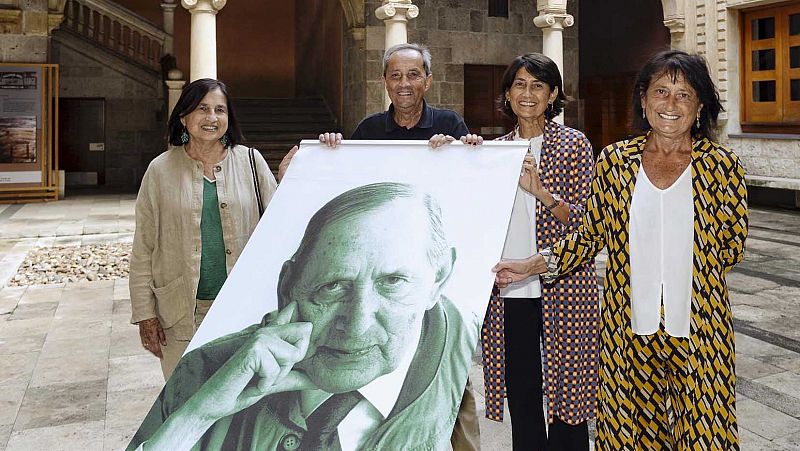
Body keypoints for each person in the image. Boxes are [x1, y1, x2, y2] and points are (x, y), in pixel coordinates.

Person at [493, 50, 748, 449]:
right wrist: (533, 265)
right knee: (632, 440)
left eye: (684, 94)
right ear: (643, 100)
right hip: (627, 335)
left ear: (700, 105)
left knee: (706, 439)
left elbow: (731, 247)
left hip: (701, 334)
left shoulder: (723, 167)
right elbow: (590, 235)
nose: (670, 104)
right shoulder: (616, 162)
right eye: (661, 91)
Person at [127, 182, 479, 451]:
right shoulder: (205, 375)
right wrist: (197, 416)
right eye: (332, 286)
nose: (357, 325)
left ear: (439, 278)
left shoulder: (455, 361)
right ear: (287, 288)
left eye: (392, 282)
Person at [279, 43, 482, 451]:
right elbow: (347, 192)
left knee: (451, 387)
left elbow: (471, 191)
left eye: (413, 75)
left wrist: (469, 150)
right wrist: (328, 154)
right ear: (384, 81)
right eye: (395, 75)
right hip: (378, 264)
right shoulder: (368, 130)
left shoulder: (450, 123)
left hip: (418, 275)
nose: (404, 84)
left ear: (427, 79)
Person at [477, 53, 599, 451]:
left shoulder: (574, 145)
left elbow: (586, 222)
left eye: (538, 86)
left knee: (569, 388)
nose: (528, 94)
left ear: (553, 95)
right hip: (511, 288)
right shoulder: (493, 151)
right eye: (520, 85)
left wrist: (541, 192)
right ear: (507, 94)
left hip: (562, 284)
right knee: (523, 388)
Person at [130, 78, 278, 380]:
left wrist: (293, 180)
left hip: (245, 310)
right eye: (202, 109)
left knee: (238, 407)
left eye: (220, 110)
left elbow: (278, 230)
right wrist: (145, 312)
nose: (212, 118)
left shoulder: (252, 161)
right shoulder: (160, 170)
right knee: (184, 401)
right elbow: (144, 246)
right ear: (184, 117)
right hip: (181, 313)